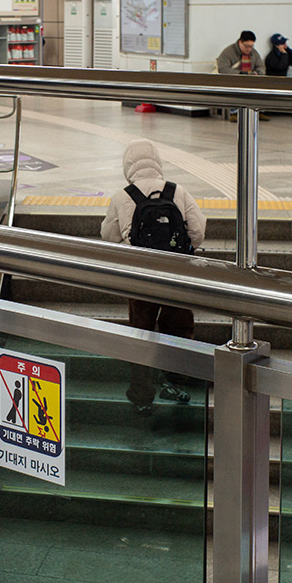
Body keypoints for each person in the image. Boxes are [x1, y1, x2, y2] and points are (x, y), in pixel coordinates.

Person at [100, 140, 205, 415]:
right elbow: (198, 230)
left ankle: (142, 395)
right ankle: (174, 383)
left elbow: (106, 236)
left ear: (128, 167)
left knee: (141, 333)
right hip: (176, 274)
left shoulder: (122, 196)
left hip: (140, 276)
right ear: (157, 162)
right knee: (179, 328)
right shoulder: (177, 191)